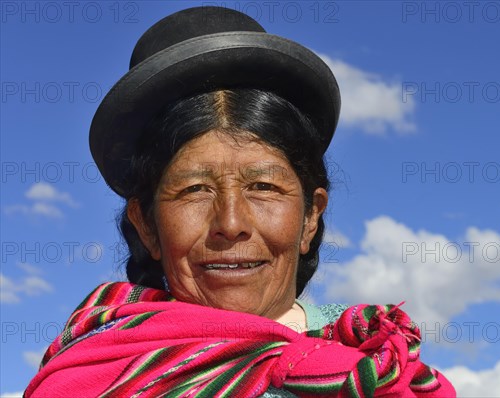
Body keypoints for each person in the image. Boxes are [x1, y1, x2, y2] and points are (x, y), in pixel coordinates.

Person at [25, 6, 455, 397]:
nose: (230, 223)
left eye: (264, 187)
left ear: (310, 216)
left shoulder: (383, 370)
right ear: (147, 226)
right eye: (194, 190)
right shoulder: (88, 376)